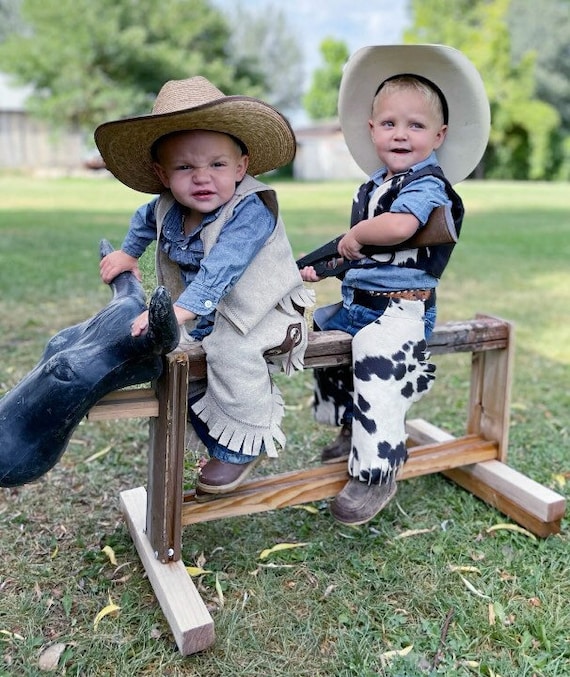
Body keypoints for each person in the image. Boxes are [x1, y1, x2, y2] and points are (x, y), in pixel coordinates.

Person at [95, 76, 314, 498]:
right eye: (184, 167)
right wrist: (127, 254)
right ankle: (213, 430)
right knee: (174, 354)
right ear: (162, 174)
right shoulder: (168, 205)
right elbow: (145, 219)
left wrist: (180, 312)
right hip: (202, 310)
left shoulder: (251, 210)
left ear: (240, 167)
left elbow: (222, 270)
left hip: (263, 311)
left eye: (217, 165)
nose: (202, 178)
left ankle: (245, 443)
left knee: (232, 353)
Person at [299, 44, 490, 525]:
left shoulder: (427, 184)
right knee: (323, 337)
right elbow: (356, 252)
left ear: (439, 135)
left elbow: (400, 229)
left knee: (377, 360)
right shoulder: (371, 188)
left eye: (416, 125)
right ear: (371, 129)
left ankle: (377, 469)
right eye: (389, 124)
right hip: (357, 300)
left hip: (402, 306)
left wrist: (358, 233)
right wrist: (321, 266)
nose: (401, 134)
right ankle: (349, 427)